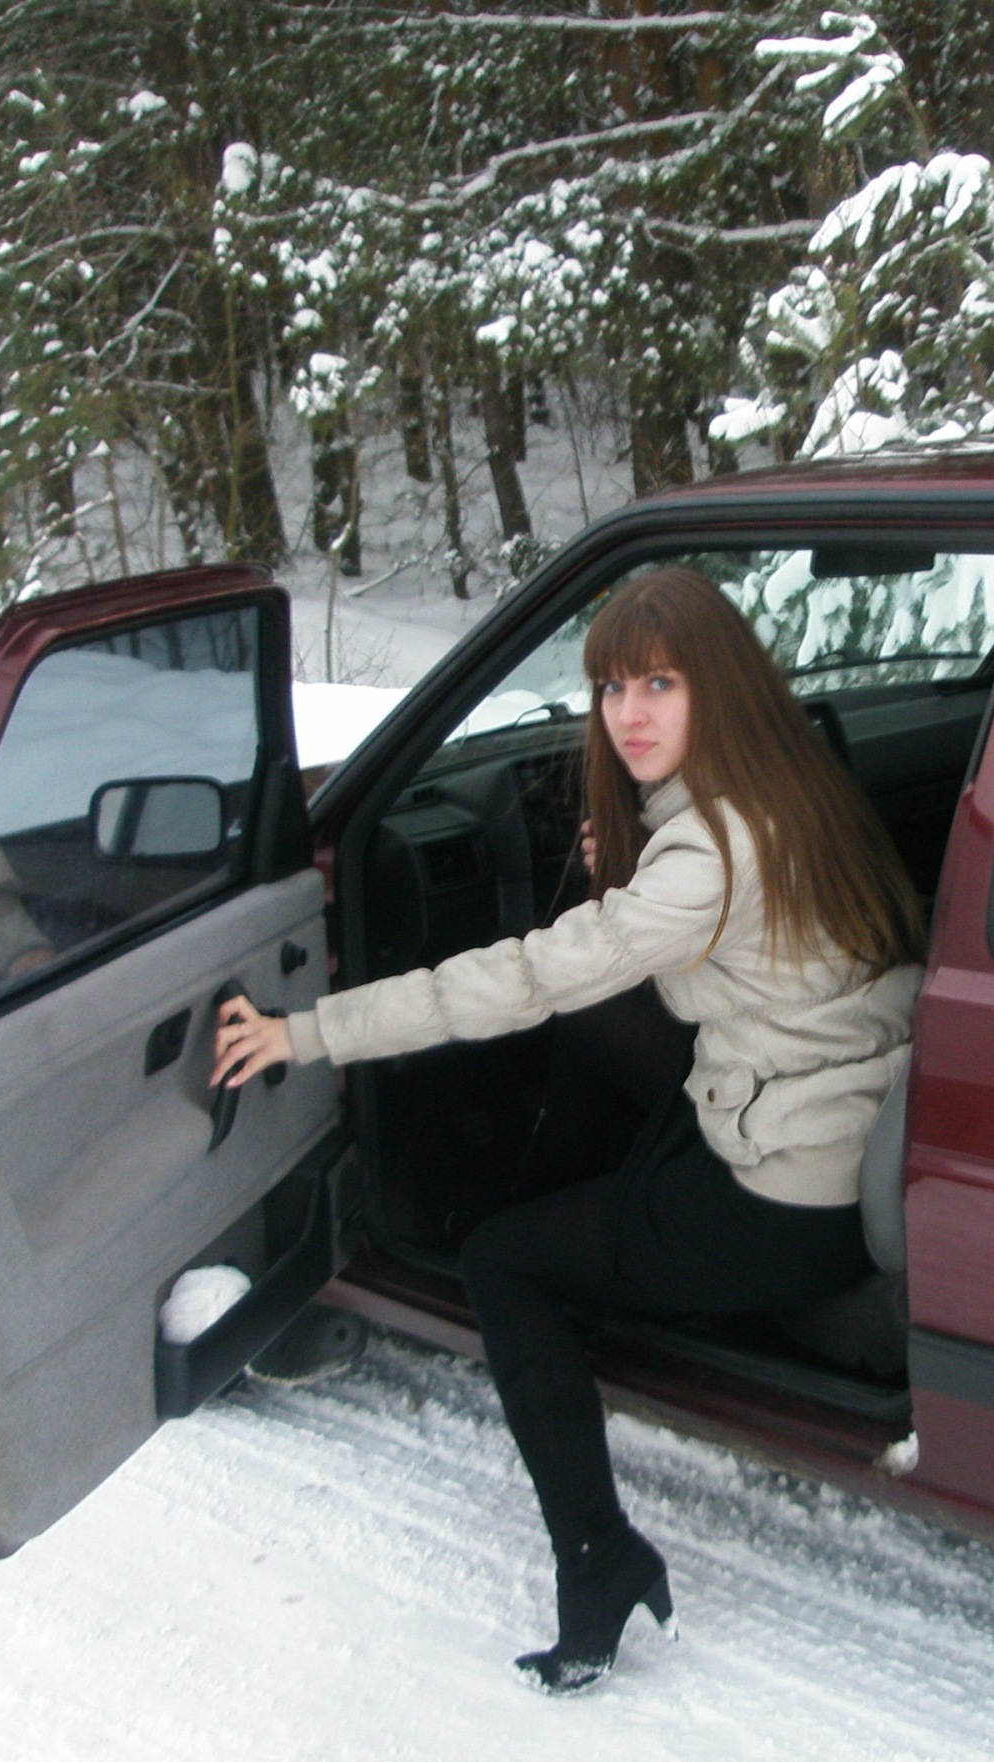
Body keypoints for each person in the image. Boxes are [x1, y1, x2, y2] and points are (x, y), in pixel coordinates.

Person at [212, 566, 924, 1693]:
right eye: (609, 688)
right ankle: (563, 1229)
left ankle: (598, 1559)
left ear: (718, 688)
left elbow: (516, 980)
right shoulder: (795, 789)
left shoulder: (705, 855)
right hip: (834, 1114)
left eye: (659, 684)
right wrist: (629, 878)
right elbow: (704, 939)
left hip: (784, 1201)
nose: (627, 715)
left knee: (502, 1263)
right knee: (599, 1029)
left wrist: (304, 1033)